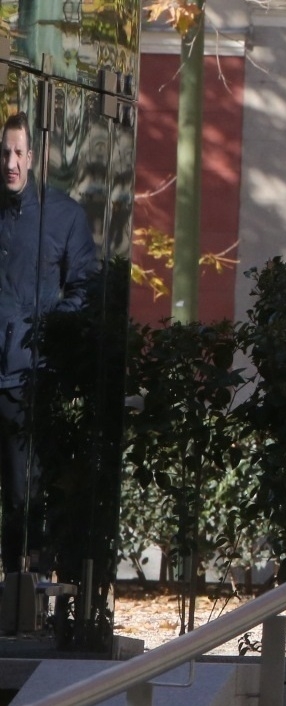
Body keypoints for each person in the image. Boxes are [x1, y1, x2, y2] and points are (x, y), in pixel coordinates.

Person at [0, 111, 97, 576]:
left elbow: (85, 289)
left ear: (33, 157)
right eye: (5, 153)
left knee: (23, 493)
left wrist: (41, 330)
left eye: (18, 153)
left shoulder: (63, 216)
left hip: (27, 379)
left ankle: (24, 593)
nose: (11, 163)